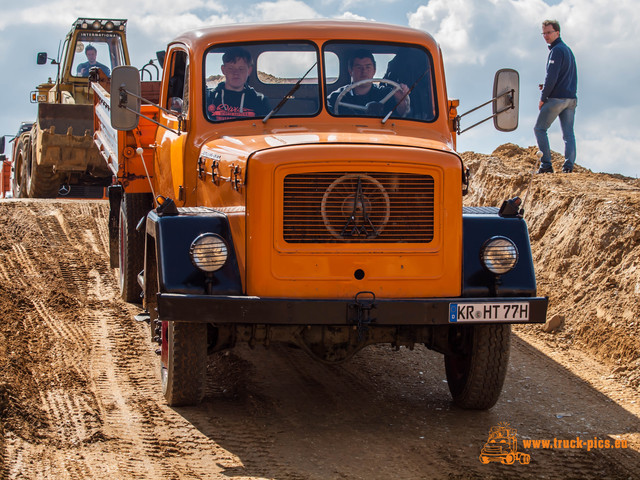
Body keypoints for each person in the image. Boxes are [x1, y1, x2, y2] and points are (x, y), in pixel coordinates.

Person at [534, 20, 577, 174]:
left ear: (557, 33)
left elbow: (551, 77)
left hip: (557, 99)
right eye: (544, 33)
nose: (546, 36)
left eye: (549, 32)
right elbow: (564, 76)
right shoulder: (567, 50)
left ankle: (546, 165)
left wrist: (543, 97)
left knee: (539, 129)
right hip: (571, 98)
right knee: (568, 133)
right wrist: (546, 87)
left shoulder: (556, 51)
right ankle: (568, 166)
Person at [327, 49, 410, 117]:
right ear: (350, 71)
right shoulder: (336, 97)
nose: (364, 71)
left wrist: (400, 100)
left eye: (368, 67)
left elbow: (402, 115)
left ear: (374, 70)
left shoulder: (386, 94)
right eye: (359, 67)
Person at [206, 47, 270, 121]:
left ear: (249, 71)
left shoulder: (260, 100)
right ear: (223, 70)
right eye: (231, 68)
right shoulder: (210, 98)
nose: (236, 73)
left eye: (241, 69)